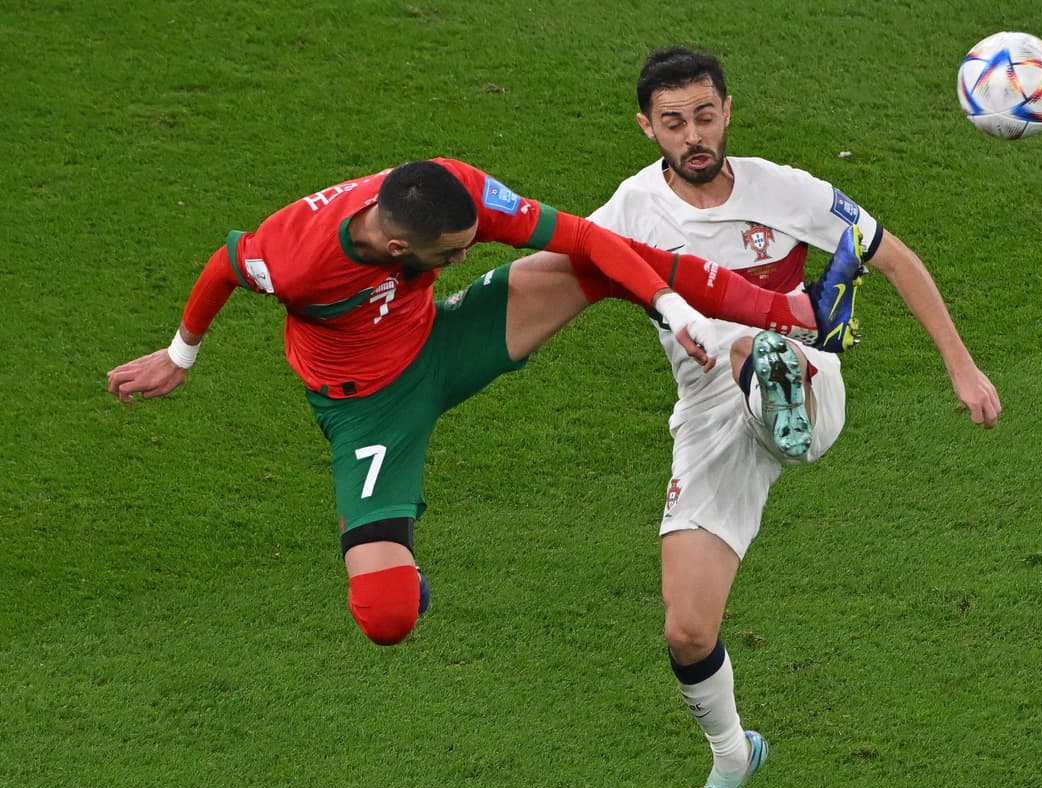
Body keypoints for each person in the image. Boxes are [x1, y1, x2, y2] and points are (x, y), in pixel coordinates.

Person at [107, 157, 856, 648]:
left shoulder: (453, 191)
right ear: (400, 248)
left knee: (592, 261)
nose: (470, 254)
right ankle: (382, 537)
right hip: (369, 409)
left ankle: (794, 309)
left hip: (444, 338)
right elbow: (224, 263)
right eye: (455, 253)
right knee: (386, 615)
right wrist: (180, 354)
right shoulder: (297, 258)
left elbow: (586, 238)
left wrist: (675, 309)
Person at [587, 47, 1003, 788]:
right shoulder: (630, 211)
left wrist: (963, 366)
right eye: (673, 122)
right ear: (648, 127)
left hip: (803, 375)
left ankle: (796, 350)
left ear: (728, 111)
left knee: (759, 350)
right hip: (710, 413)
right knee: (686, 629)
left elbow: (896, 254)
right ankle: (733, 755)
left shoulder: (784, 190)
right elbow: (563, 261)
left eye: (705, 115)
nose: (693, 134)